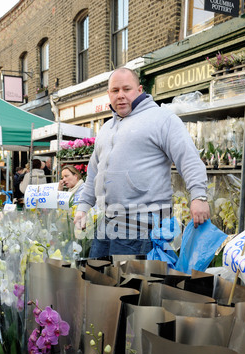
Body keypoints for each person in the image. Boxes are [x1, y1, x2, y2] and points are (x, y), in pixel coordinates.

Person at [74, 67, 210, 257]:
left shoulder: (162, 119)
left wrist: (199, 196)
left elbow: (189, 158)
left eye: (126, 89)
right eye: (115, 90)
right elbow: (94, 174)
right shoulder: (105, 128)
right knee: (98, 281)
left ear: (139, 90)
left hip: (142, 227)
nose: (120, 95)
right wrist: (83, 208)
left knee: (131, 286)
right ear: (108, 94)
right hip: (107, 224)